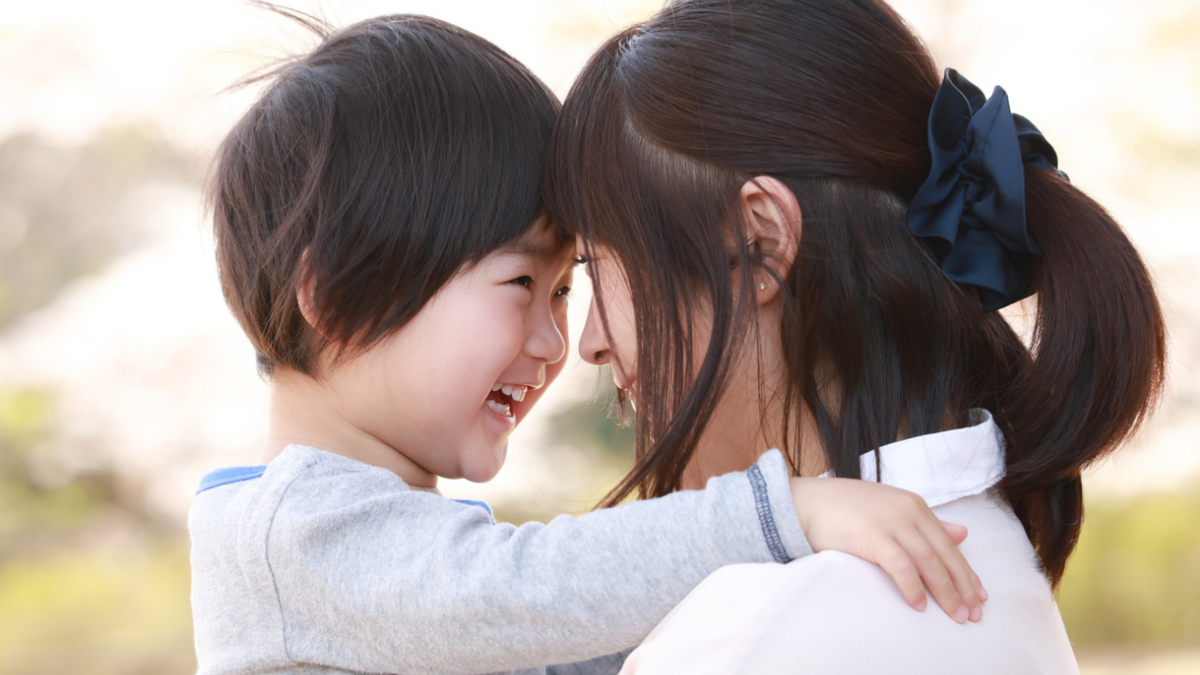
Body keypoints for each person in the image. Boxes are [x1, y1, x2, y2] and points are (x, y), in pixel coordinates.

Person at [188, 9, 986, 675]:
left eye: (567, 287)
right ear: (336, 295)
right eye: (520, 285)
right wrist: (784, 512)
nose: (558, 341)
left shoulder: (390, 546)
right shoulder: (291, 536)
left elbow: (559, 633)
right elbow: (526, 592)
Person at [543, 0, 1166, 672]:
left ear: (761, 241)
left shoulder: (761, 632)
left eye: (595, 264)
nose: (589, 343)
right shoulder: (988, 550)